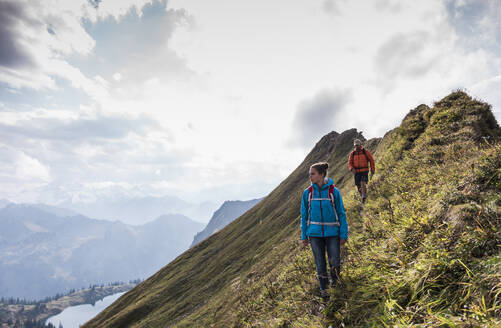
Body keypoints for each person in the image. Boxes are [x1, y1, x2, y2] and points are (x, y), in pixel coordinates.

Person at [300, 162, 348, 301]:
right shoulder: (307, 193)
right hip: (314, 235)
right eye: (309, 174)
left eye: (313, 174)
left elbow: (341, 213)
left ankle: (336, 288)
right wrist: (304, 235)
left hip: (333, 233)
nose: (310, 176)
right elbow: (304, 215)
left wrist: (343, 234)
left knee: (335, 262)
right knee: (320, 264)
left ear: (321, 174)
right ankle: (325, 293)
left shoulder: (334, 192)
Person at [348, 139, 375, 203]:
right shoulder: (352, 154)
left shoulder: (365, 152)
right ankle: (362, 197)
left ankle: (364, 197)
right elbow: (350, 163)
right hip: (356, 172)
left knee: (363, 182)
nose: (356, 147)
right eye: (355, 145)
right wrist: (351, 169)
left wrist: (372, 170)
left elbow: (371, 161)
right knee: (358, 185)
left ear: (360, 145)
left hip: (364, 170)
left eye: (357, 145)